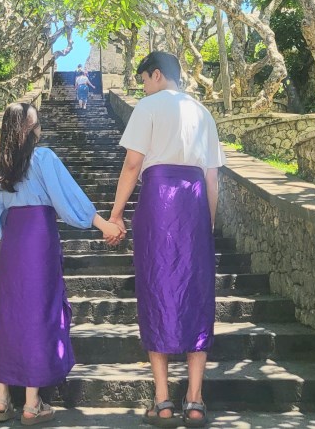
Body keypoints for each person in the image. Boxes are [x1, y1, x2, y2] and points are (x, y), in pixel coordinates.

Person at [109, 51, 224, 427]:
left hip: (158, 202)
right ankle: (195, 400)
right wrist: (207, 225)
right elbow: (212, 178)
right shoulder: (202, 112)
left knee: (155, 290)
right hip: (194, 203)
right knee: (197, 295)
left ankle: (162, 401)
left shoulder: (149, 106)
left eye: (144, 79)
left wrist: (116, 213)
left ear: (156, 75)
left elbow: (132, 163)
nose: (143, 86)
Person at [0, 102, 124, 424]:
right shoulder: (43, 158)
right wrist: (103, 224)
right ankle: (31, 403)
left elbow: (0, 219)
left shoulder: (3, 168)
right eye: (36, 121)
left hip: (12, 243)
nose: (40, 126)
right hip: (38, 240)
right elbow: (67, 198)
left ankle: (1, 398)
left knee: (10, 316)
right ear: (29, 128)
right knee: (39, 313)